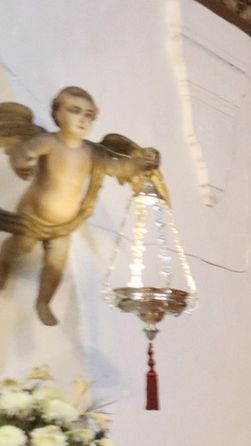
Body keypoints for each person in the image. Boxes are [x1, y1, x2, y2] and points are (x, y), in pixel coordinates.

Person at [0, 86, 159, 326]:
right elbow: (23, 151)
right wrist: (22, 163)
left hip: (65, 223)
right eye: (74, 110)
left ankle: (43, 302)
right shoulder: (49, 142)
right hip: (32, 215)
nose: (83, 119)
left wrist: (141, 163)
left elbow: (120, 166)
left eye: (88, 115)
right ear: (58, 114)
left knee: (56, 264)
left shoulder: (92, 152)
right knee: (20, 246)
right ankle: (2, 263)